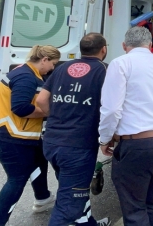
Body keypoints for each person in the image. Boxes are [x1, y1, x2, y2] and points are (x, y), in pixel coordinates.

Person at [98, 27, 153, 226]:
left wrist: (105, 138)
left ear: (124, 46)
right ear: (150, 45)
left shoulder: (121, 64)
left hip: (141, 144)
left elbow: (111, 110)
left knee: (134, 207)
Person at [0, 45, 60, 226]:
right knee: (17, 178)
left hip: (19, 136)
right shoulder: (25, 77)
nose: (52, 69)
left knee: (39, 157)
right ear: (44, 59)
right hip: (6, 136)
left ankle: (43, 198)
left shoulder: (29, 72)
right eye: (52, 64)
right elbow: (20, 108)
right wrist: (49, 113)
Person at [35, 33, 110, 226]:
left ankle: (87, 223)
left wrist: (60, 116)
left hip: (52, 142)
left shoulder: (62, 68)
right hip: (78, 147)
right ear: (104, 49)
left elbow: (41, 100)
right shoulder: (104, 70)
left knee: (73, 190)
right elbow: (112, 108)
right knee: (68, 206)